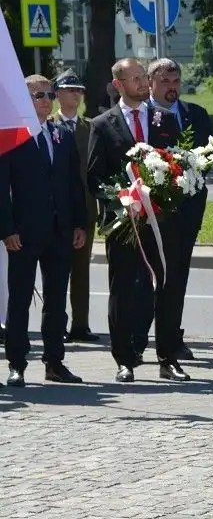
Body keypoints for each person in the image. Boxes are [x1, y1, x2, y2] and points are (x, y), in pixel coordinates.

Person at [88, 58, 189, 383]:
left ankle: (168, 357)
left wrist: (167, 193)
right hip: (125, 223)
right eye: (134, 79)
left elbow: (179, 166)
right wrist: (123, 201)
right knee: (123, 290)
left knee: (167, 287)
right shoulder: (103, 124)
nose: (143, 84)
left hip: (162, 222)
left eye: (144, 77)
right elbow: (94, 177)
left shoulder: (165, 119)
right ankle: (124, 359)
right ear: (118, 85)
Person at [0, 75, 87, 386]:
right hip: (23, 233)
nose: (47, 100)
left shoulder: (62, 134)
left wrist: (79, 223)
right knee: (20, 299)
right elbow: (2, 188)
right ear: (25, 100)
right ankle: (17, 363)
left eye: (50, 94)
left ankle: (54, 361)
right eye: (39, 95)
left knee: (55, 300)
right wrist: (7, 228)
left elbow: (74, 185)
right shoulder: (13, 138)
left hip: (59, 231)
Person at [145, 58, 212, 362]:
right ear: (151, 84)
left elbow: (208, 157)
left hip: (187, 211)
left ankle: (172, 338)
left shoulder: (195, 114)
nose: (171, 88)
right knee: (148, 279)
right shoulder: (143, 116)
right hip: (151, 211)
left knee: (177, 277)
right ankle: (138, 337)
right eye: (165, 82)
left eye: (176, 82)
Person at [52, 71, 101, 343]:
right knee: (56, 270)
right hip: (55, 211)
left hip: (84, 209)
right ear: (56, 93)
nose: (76, 94)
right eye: (70, 89)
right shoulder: (47, 125)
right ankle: (56, 323)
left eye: (79, 90)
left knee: (81, 270)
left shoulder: (91, 127)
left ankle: (80, 325)